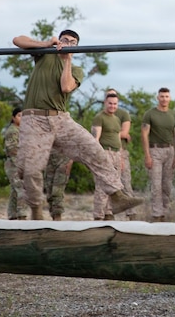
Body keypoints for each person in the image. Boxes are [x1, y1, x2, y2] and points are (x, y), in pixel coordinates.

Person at [12, 29, 143, 220]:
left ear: (76, 47)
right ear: (59, 40)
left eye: (73, 42)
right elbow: (17, 40)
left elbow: (65, 87)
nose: (68, 43)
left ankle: (117, 196)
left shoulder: (76, 69)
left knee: (95, 150)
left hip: (61, 119)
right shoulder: (44, 55)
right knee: (31, 169)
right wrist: (47, 44)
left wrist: (67, 59)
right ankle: (36, 211)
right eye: (65, 40)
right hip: (35, 119)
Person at [142, 87, 175, 222]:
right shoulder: (150, 114)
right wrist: (147, 155)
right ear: (157, 97)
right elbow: (144, 134)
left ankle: (165, 211)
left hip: (170, 150)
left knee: (167, 184)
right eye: (162, 96)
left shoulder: (173, 115)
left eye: (167, 96)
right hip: (155, 150)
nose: (164, 99)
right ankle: (157, 214)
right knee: (156, 184)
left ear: (170, 98)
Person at [91, 92, 127, 220]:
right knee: (102, 184)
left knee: (114, 185)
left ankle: (109, 213)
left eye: (115, 104)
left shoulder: (117, 119)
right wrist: (98, 156)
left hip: (116, 153)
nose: (112, 106)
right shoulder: (99, 117)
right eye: (110, 103)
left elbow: (118, 138)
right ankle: (98, 215)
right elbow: (95, 139)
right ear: (105, 103)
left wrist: (121, 158)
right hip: (105, 152)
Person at [106, 88, 135, 219]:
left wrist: (111, 134)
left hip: (121, 151)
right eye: (109, 97)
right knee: (106, 183)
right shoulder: (101, 116)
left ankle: (131, 213)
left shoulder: (123, 114)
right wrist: (120, 134)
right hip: (105, 151)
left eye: (114, 97)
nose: (112, 100)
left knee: (125, 182)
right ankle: (107, 213)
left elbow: (125, 131)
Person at [1, 107, 26, 220]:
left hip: (18, 164)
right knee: (21, 189)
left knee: (15, 190)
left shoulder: (21, 130)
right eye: (19, 116)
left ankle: (12, 215)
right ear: (13, 118)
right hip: (14, 164)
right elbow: (13, 152)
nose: (22, 118)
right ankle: (21, 215)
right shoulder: (12, 131)